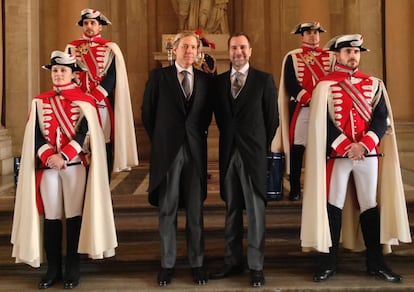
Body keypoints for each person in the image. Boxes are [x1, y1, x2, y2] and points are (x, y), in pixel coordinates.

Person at [300, 34, 411, 283]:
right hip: (339, 155)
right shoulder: (324, 86)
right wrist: (346, 146)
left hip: (367, 153)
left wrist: (364, 144)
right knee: (333, 205)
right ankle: (329, 263)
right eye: (348, 51)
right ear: (337, 55)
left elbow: (381, 118)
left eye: (356, 52)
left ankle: (376, 263)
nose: (353, 56)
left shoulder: (374, 84)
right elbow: (322, 123)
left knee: (370, 205)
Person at [10, 51, 117, 289]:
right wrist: (49, 156)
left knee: (73, 215)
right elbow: (35, 134)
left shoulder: (86, 102)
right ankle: (53, 268)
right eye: (55, 71)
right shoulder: (39, 101)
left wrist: (65, 155)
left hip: (74, 165)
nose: (58, 75)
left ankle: (72, 267)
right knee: (51, 216)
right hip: (48, 166)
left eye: (63, 71)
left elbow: (85, 132)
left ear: (72, 74)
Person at [141, 31, 212, 286]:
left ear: (198, 51)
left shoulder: (205, 80)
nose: (189, 51)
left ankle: (197, 263)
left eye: (193, 47)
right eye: (185, 46)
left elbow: (204, 117)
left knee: (195, 211)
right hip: (168, 152)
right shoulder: (159, 77)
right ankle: (167, 264)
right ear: (175, 49)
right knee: (168, 209)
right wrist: (163, 139)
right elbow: (147, 113)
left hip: (195, 153)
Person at [209, 32, 278, 287]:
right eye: (234, 47)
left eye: (242, 47)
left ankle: (256, 266)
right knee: (232, 210)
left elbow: (272, 120)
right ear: (229, 51)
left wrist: (258, 144)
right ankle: (232, 260)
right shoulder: (218, 83)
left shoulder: (264, 80)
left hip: (253, 154)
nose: (238, 52)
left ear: (250, 51)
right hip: (228, 154)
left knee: (256, 213)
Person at [66, 8, 138, 180]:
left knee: (102, 142)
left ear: (100, 27)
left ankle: (103, 183)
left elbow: (113, 76)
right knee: (79, 141)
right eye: (86, 23)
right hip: (78, 103)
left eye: (93, 23)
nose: (89, 26)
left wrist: (94, 96)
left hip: (100, 103)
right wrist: (80, 95)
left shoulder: (110, 49)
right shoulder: (71, 48)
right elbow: (67, 74)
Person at [271, 21, 334, 201]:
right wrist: (308, 98)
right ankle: (296, 188)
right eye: (309, 33)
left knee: (324, 149)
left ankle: (322, 188)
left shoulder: (330, 57)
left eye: (316, 33)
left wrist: (322, 100)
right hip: (303, 108)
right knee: (297, 149)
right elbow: (290, 83)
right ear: (302, 36)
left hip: (324, 109)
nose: (313, 36)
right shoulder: (293, 57)